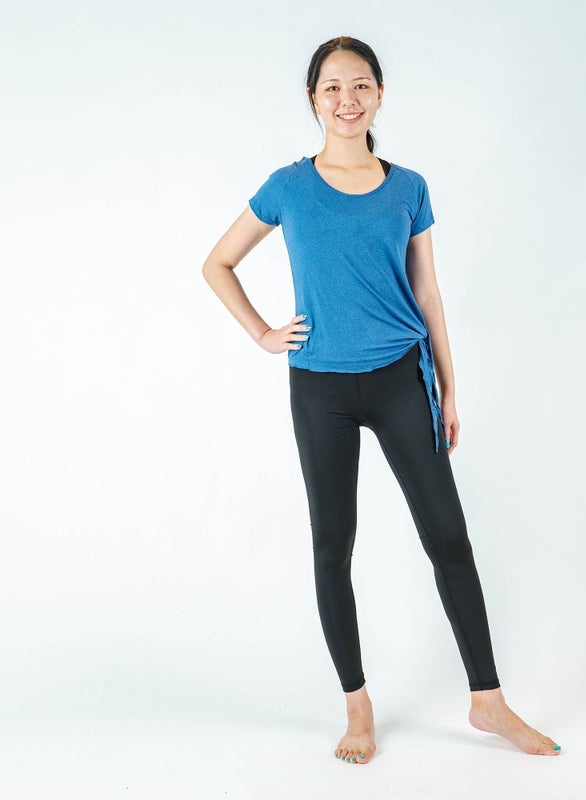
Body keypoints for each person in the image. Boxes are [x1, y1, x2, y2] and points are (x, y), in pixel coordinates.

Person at [202, 35, 561, 764]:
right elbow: (218, 263)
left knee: (448, 536)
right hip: (320, 386)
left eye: (360, 85)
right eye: (332, 88)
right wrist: (263, 333)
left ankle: (488, 700)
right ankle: (357, 707)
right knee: (332, 544)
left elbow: (427, 291)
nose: (347, 99)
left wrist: (449, 386)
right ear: (313, 100)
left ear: (380, 95)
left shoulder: (409, 187)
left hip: (403, 377)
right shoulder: (287, 186)